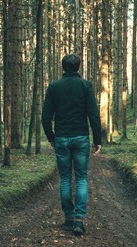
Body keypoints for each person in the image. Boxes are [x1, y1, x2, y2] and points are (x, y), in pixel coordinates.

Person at [42, 54, 102, 235]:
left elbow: (45, 117)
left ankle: (68, 218)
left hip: (61, 138)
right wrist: (98, 140)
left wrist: (51, 137)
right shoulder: (85, 86)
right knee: (82, 178)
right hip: (81, 138)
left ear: (63, 67)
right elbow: (93, 115)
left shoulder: (54, 87)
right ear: (78, 67)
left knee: (66, 178)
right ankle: (78, 220)